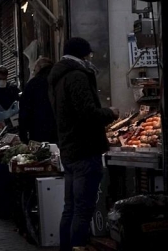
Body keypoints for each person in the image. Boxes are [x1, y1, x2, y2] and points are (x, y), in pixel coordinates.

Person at [48, 37, 119, 251]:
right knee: (82, 209)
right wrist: (110, 113)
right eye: (89, 55)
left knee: (70, 208)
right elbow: (87, 113)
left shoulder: (58, 78)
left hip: (69, 149)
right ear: (83, 55)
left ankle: (67, 248)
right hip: (84, 150)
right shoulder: (77, 76)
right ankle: (77, 246)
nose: (91, 59)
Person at [18, 57, 58, 144]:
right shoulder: (59, 80)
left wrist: (23, 134)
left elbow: (24, 110)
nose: (33, 72)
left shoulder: (33, 84)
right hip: (60, 129)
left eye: (34, 69)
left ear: (39, 68)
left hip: (38, 129)